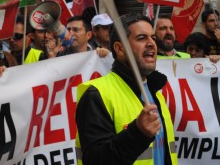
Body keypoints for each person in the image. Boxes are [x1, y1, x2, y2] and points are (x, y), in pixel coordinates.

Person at [75, 13, 178, 165]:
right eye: (141, 38)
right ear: (119, 49)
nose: (151, 44)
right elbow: (95, 160)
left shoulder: (156, 93)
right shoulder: (96, 94)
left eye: (153, 38)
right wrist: (137, 133)